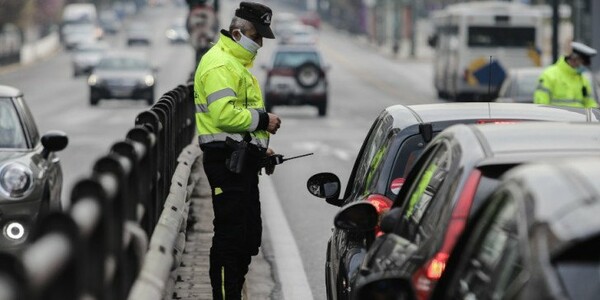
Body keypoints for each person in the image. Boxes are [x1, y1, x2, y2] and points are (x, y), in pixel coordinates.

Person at [193, 2, 281, 299]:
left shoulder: (236, 65)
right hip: (224, 163)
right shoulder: (221, 65)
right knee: (231, 238)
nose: (259, 45)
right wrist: (264, 120)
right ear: (237, 33)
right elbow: (224, 117)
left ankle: (233, 291)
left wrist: (261, 151)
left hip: (241, 162)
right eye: (257, 37)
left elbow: (238, 125)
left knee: (247, 238)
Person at [533, 41, 598, 108]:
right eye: (582, 62)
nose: (583, 66)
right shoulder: (549, 75)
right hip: (555, 118)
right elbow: (541, 104)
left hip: (579, 118)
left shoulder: (583, 80)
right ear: (574, 58)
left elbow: (590, 103)